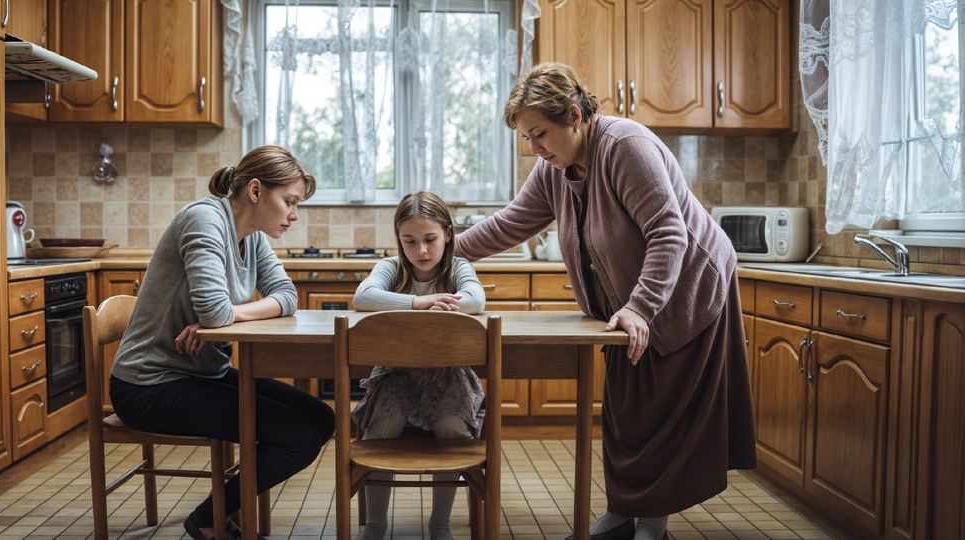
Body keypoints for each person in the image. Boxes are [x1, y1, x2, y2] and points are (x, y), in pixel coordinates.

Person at [454, 63, 757, 540]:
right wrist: (438, 252)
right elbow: (510, 223)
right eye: (527, 137)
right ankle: (622, 511)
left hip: (685, 291)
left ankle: (651, 525)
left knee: (661, 414)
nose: (533, 148)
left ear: (574, 115)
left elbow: (668, 232)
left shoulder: (624, 146)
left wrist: (640, 307)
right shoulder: (553, 168)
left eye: (539, 134)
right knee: (623, 410)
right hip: (630, 302)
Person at [108, 145, 336, 540]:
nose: (294, 214)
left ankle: (224, 510)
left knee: (322, 419)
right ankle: (210, 516)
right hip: (149, 385)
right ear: (255, 190)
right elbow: (215, 312)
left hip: (203, 373)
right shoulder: (204, 219)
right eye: (290, 201)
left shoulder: (253, 238)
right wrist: (215, 318)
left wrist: (223, 317)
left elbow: (286, 296)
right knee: (297, 437)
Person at [350, 191, 487, 540]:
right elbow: (362, 297)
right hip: (396, 374)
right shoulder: (390, 268)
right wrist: (419, 301)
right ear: (398, 239)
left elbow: (476, 299)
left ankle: (439, 523)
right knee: (382, 427)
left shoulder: (458, 267)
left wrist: (444, 302)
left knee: (453, 429)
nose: (421, 251)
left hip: (450, 374)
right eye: (410, 241)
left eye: (430, 240)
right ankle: (375, 525)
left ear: (448, 235)